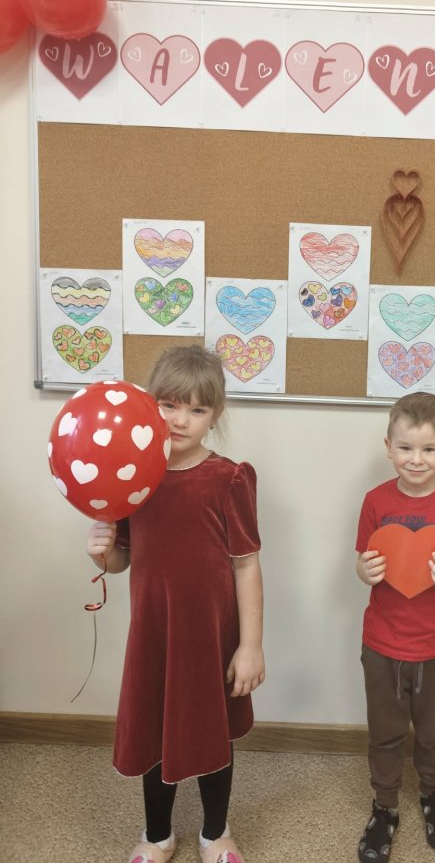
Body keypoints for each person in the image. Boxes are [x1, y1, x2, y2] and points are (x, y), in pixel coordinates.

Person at [87, 345, 265, 863]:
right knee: (153, 729)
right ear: (150, 404)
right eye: (169, 405)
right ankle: (157, 834)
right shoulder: (131, 477)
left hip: (212, 638)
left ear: (216, 413)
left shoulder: (229, 478)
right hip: (154, 635)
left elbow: (246, 564)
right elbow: (121, 561)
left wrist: (250, 646)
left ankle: (216, 832)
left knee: (213, 730)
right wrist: (101, 552)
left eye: (196, 409)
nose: (180, 419)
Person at [355, 392, 435, 861]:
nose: (416, 459)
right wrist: (365, 571)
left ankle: (433, 794)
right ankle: (385, 804)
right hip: (383, 643)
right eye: (406, 447)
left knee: (433, 729)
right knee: (385, 730)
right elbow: (363, 561)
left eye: (429, 449)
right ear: (388, 447)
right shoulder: (375, 501)